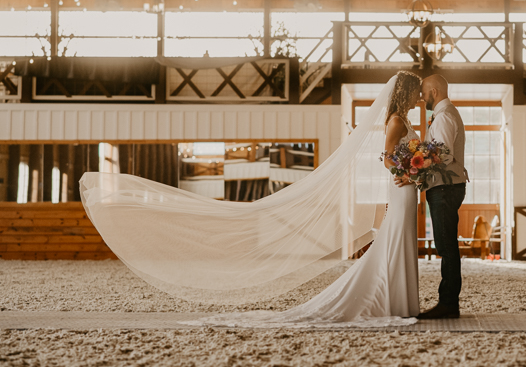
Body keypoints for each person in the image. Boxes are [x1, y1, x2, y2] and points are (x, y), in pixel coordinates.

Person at [80, 72, 423, 328]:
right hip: (402, 185)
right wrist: (408, 173)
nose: (420, 97)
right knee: (394, 238)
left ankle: (400, 296)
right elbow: (388, 157)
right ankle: (390, 297)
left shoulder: (404, 119)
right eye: (416, 92)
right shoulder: (395, 120)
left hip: (407, 187)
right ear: (405, 93)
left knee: (399, 239)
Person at [416, 74, 468, 320]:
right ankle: (448, 301)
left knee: (447, 246)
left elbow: (443, 155)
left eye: (424, 92)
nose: (421, 97)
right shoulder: (444, 114)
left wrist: (415, 172)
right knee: (445, 244)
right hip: (445, 187)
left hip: (446, 188)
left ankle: (448, 303)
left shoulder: (445, 116)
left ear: (434, 91)